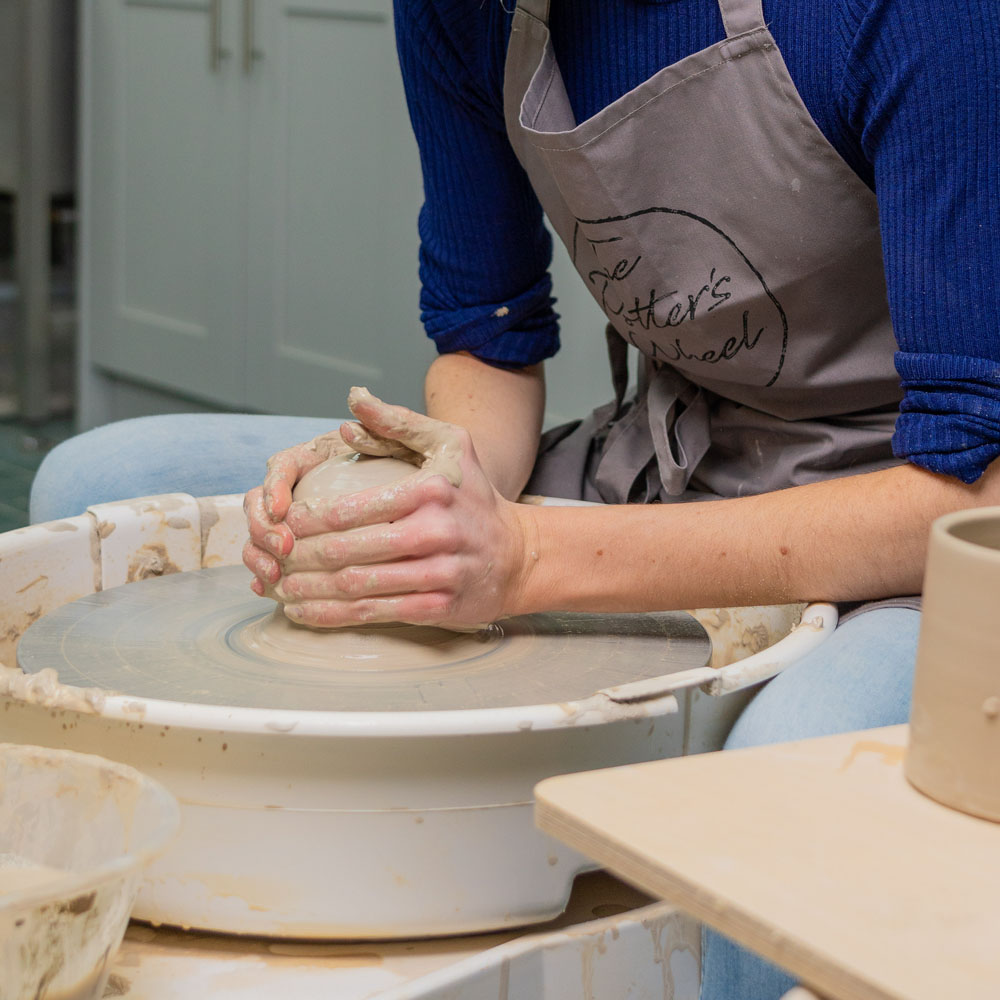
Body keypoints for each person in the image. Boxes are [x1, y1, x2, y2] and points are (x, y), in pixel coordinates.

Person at [29, 1, 999, 995]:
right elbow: (488, 341)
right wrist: (406, 492)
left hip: (921, 522)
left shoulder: (910, 14)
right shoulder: (461, 11)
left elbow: (966, 486)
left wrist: (527, 559)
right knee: (93, 482)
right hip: (673, 458)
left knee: (767, 797)